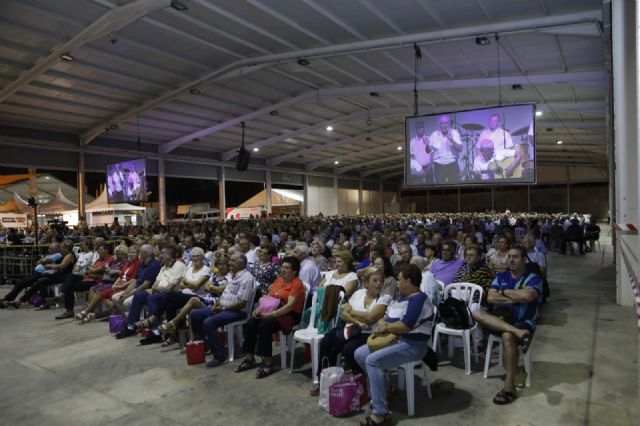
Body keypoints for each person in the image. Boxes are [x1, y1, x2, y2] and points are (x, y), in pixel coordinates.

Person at [354, 264, 434, 426]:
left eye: (400, 280)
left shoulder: (419, 299)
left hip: (414, 345)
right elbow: (387, 316)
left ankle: (381, 413)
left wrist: (386, 326)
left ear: (409, 282)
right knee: (360, 354)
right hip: (397, 340)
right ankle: (387, 389)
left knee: (372, 361)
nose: (397, 283)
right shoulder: (401, 298)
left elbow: (405, 326)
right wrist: (383, 321)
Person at [472, 246, 543, 405]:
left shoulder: (534, 278)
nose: (510, 259)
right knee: (476, 312)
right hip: (501, 318)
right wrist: (516, 296)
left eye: (515, 257)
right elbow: (490, 298)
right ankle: (518, 333)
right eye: (509, 256)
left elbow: (528, 296)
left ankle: (509, 387)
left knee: (506, 336)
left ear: (524, 259)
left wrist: (503, 292)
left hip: (523, 321)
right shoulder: (501, 275)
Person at [312, 268, 391, 395]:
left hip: (369, 334)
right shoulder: (358, 293)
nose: (378, 284)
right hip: (351, 329)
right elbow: (343, 314)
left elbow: (371, 318)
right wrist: (359, 321)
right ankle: (325, 378)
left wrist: (352, 312)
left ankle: (360, 376)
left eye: (381, 281)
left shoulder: (385, 298)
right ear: (366, 283)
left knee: (349, 349)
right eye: (375, 280)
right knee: (327, 340)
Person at [235, 256, 305, 378]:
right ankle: (249, 357)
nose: (283, 270)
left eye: (287, 268)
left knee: (265, 325)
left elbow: (289, 306)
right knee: (252, 322)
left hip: (290, 314)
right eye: (282, 267)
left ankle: (268, 362)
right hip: (273, 309)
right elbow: (269, 299)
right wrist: (258, 310)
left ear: (294, 271)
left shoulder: (297, 284)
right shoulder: (278, 280)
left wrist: (271, 315)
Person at [188, 252, 255, 368]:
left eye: (233, 261)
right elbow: (226, 294)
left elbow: (241, 303)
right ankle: (207, 345)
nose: (230, 263)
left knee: (209, 322)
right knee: (194, 315)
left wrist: (223, 308)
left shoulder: (246, 278)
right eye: (231, 260)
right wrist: (218, 304)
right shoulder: (234, 275)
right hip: (224, 307)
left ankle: (220, 356)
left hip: (237, 311)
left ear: (241, 263)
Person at [137, 247, 211, 344]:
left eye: (197, 256)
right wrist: (189, 283)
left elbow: (196, 286)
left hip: (197, 297)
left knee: (170, 295)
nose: (195, 258)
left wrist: (187, 282)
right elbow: (181, 284)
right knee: (169, 305)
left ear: (202, 257)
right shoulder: (190, 268)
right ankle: (173, 334)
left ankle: (154, 318)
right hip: (184, 295)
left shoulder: (206, 269)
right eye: (193, 256)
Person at [115, 245, 186, 340]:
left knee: (152, 298)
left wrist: (157, 288)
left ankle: (155, 331)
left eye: (163, 254)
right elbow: (154, 285)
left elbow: (169, 288)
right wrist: (157, 288)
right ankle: (130, 326)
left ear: (169, 255)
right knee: (139, 295)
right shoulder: (164, 267)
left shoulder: (178, 266)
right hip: (158, 292)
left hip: (172, 294)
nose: (160, 256)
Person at [80, 246, 141, 321]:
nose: (119, 256)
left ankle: (88, 312)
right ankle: (93, 313)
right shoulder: (126, 263)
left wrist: (118, 284)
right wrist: (115, 284)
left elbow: (133, 279)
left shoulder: (137, 263)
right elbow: (121, 276)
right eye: (130, 252)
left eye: (133, 252)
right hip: (116, 282)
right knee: (95, 289)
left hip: (125, 285)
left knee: (102, 293)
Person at [55, 244, 113, 319]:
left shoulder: (110, 260)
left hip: (96, 280)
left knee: (70, 287)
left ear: (106, 251)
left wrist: (90, 270)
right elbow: (90, 269)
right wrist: (90, 270)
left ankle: (68, 308)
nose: (98, 251)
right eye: (98, 250)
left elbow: (95, 270)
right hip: (87, 277)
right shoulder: (99, 259)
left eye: (100, 250)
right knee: (70, 276)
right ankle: (63, 294)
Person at [0, 243, 63, 308]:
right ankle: (9, 299)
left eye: (50, 248)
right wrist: (42, 261)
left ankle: (9, 299)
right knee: (21, 283)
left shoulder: (57, 255)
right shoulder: (50, 255)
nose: (48, 249)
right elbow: (39, 262)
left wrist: (42, 261)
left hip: (42, 273)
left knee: (22, 283)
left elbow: (44, 261)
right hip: (37, 273)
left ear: (55, 249)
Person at [110, 244, 162, 314]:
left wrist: (128, 295)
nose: (139, 254)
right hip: (136, 288)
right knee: (115, 297)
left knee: (126, 302)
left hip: (145, 290)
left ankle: (135, 318)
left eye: (140, 252)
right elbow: (134, 280)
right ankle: (128, 315)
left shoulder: (154, 265)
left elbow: (145, 285)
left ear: (146, 254)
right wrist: (125, 293)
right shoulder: (142, 264)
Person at [426, 115, 463, 183]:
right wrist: (427, 145)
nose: (445, 125)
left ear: (449, 123)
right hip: (439, 166)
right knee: (440, 189)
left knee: (454, 188)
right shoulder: (434, 135)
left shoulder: (454, 133)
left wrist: (452, 140)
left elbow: (460, 149)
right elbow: (428, 151)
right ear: (439, 124)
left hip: (452, 164)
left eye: (447, 123)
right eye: (443, 123)